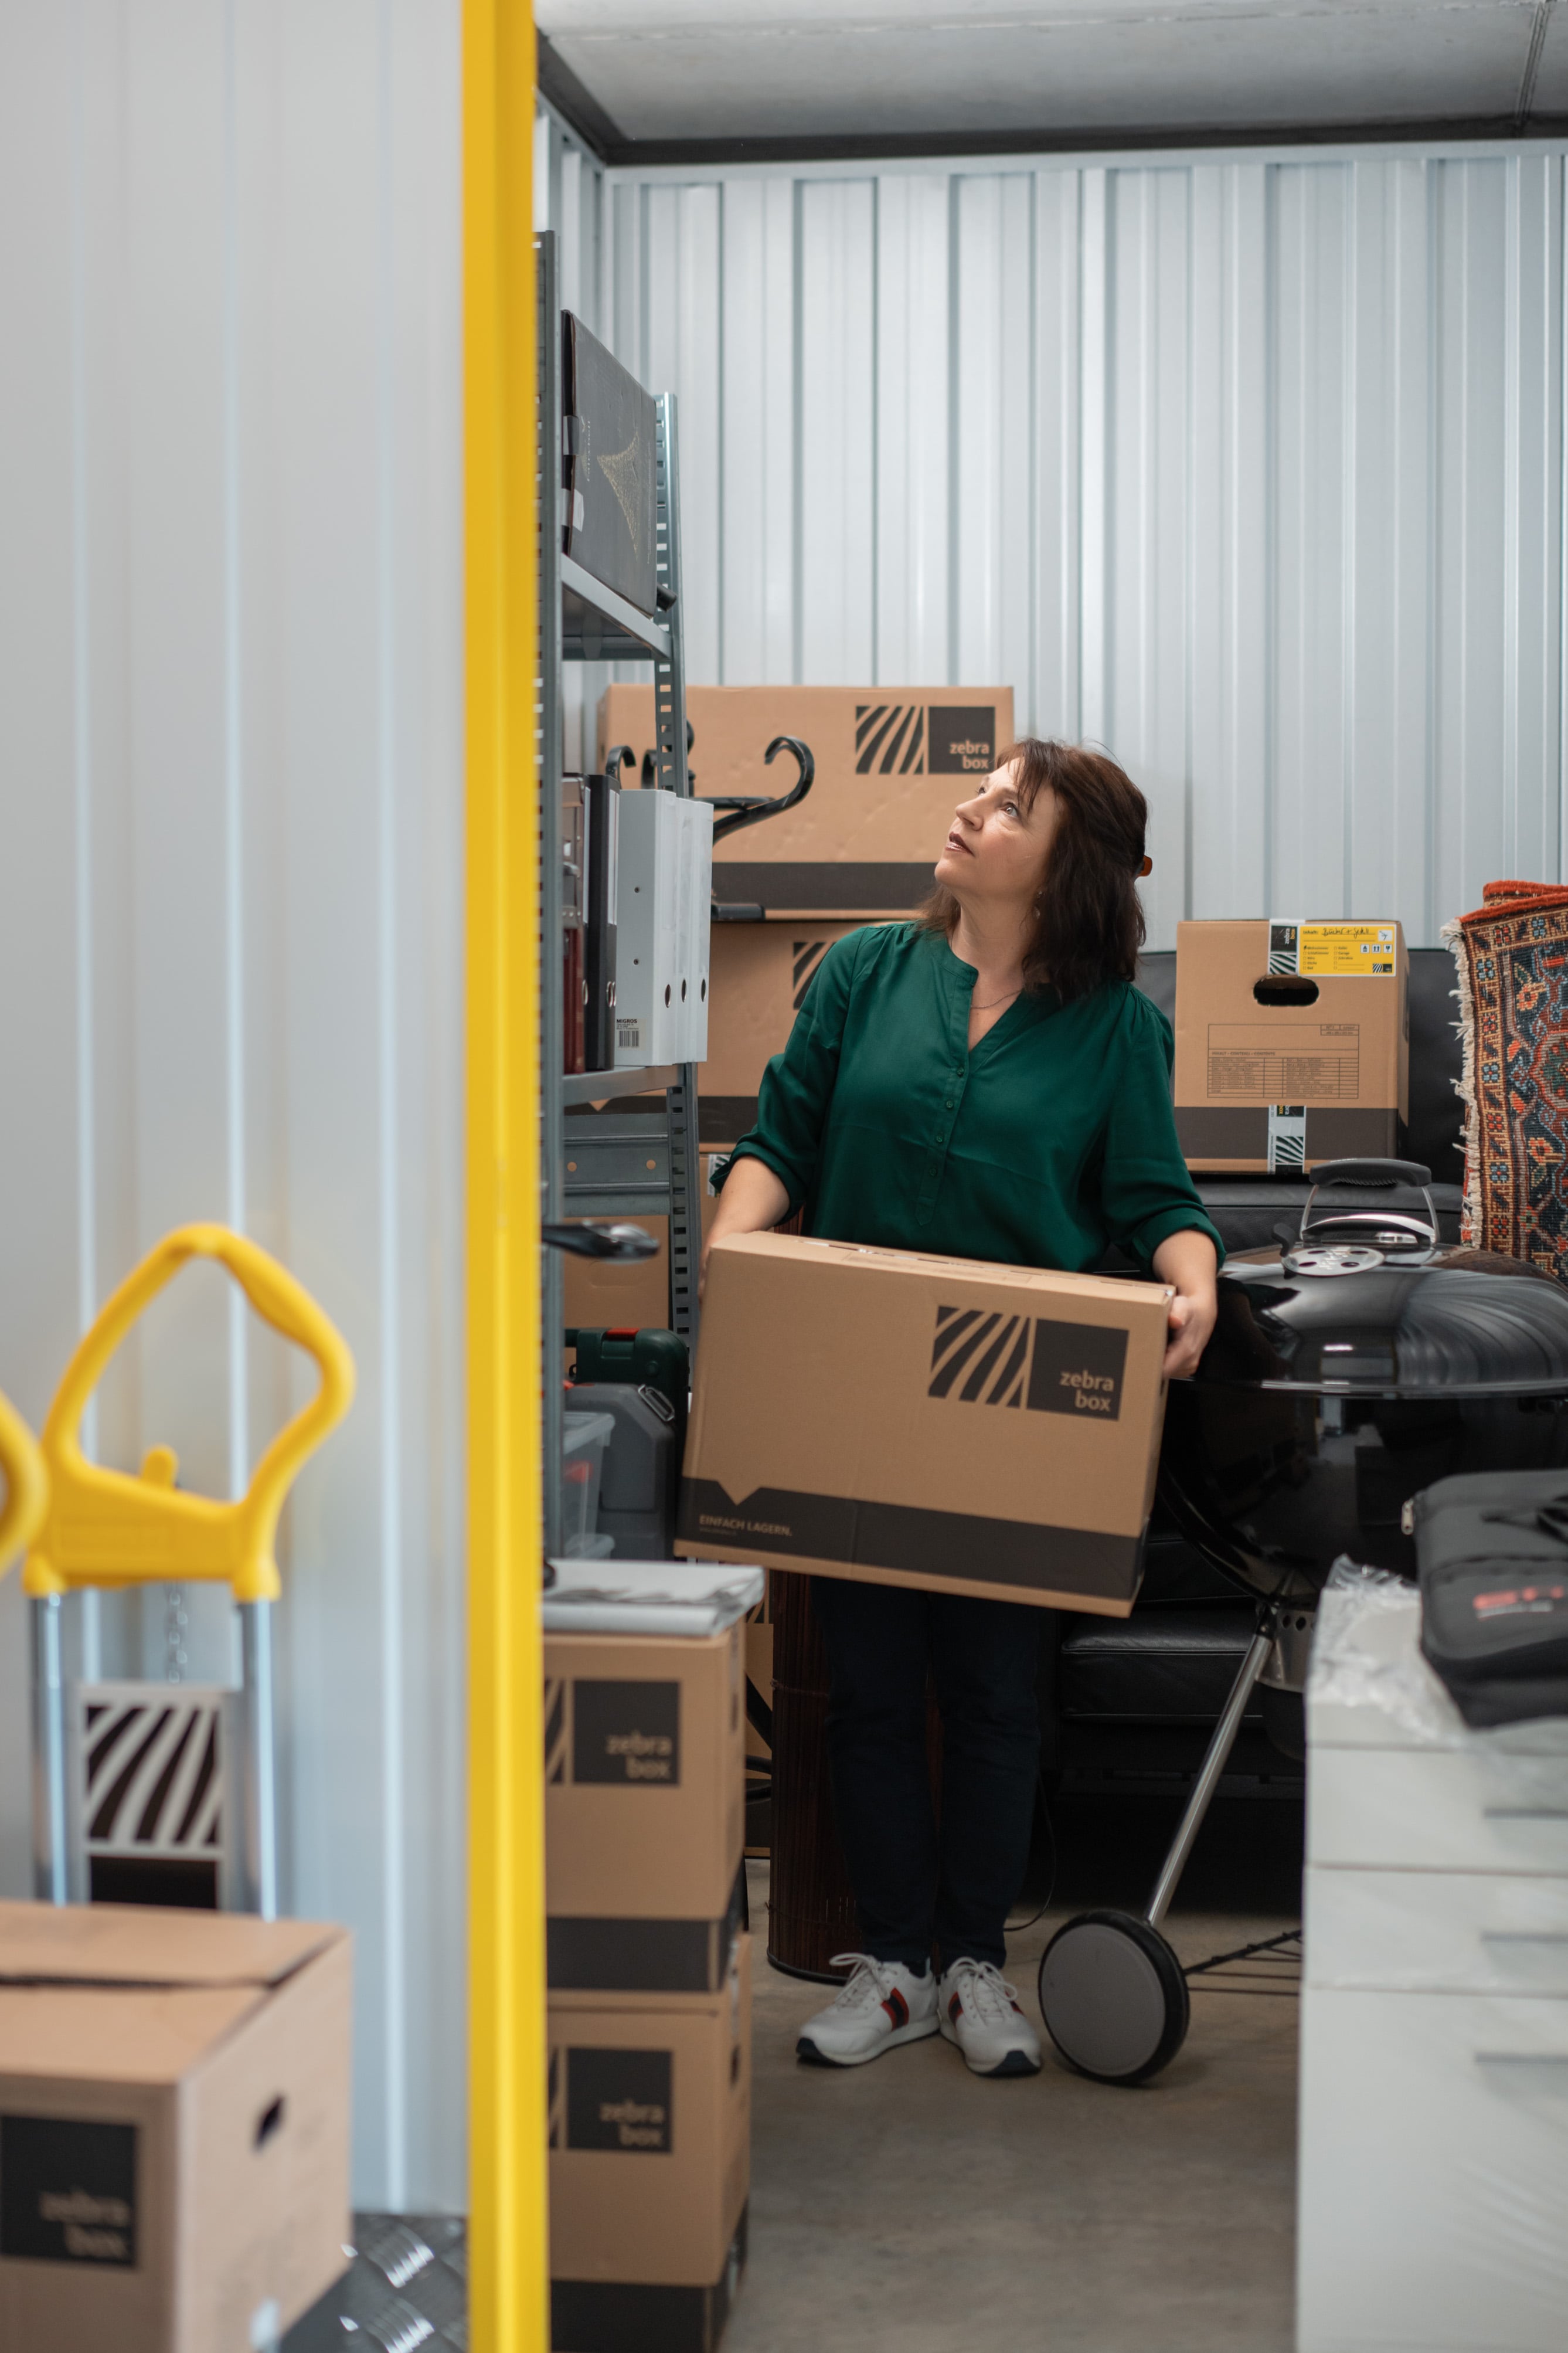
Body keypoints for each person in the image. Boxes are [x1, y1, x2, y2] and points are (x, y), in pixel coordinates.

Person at [701, 738, 1224, 2079]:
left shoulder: (1118, 1030)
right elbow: (782, 1139)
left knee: (994, 1699)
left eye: (1006, 808)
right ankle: (896, 1969)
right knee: (867, 1694)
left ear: (1068, 866)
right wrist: (734, 1260)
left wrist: (1193, 1286)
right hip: (859, 1394)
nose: (969, 812)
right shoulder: (870, 971)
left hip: (1010, 1417)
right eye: (981, 793)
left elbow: (1155, 1200)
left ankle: (975, 1964)